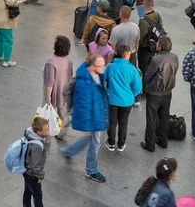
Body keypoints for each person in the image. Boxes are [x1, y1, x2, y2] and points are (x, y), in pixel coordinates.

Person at [60, 55, 108, 183]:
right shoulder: (84, 84)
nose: (104, 67)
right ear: (92, 66)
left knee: (90, 141)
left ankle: (68, 152)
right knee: (94, 144)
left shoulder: (98, 75)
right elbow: (83, 105)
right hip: (92, 119)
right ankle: (91, 170)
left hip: (97, 115)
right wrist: (86, 126)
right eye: (101, 65)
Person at [141, 36, 179, 152]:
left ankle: (150, 144)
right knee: (164, 117)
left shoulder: (156, 59)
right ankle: (163, 140)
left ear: (160, 46)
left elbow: (148, 76)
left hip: (154, 92)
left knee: (152, 118)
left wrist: (145, 82)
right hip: (167, 92)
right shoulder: (174, 57)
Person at [103, 45, 142, 152]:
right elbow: (138, 87)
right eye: (129, 54)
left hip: (112, 100)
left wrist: (106, 91)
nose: (130, 56)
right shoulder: (132, 69)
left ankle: (111, 143)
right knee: (123, 123)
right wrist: (131, 95)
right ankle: (121, 144)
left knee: (112, 122)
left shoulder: (110, 67)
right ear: (125, 55)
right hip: (127, 102)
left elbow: (101, 79)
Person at [44, 35, 73, 141]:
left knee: (48, 112)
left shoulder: (51, 61)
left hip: (53, 92)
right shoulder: (69, 60)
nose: (52, 43)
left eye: (54, 42)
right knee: (63, 113)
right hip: (64, 91)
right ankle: (62, 133)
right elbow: (70, 75)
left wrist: (48, 96)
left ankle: (46, 133)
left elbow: (50, 81)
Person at [22, 116, 49, 207]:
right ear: (39, 132)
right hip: (33, 175)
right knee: (37, 196)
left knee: (27, 191)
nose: (49, 129)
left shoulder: (29, 135)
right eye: (47, 129)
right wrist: (40, 176)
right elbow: (35, 165)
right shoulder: (37, 146)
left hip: (26, 171)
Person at [138, 0, 161, 75]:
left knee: (144, 69)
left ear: (144, 4)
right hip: (154, 46)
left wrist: (137, 47)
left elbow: (141, 37)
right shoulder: (157, 15)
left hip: (145, 49)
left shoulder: (143, 20)